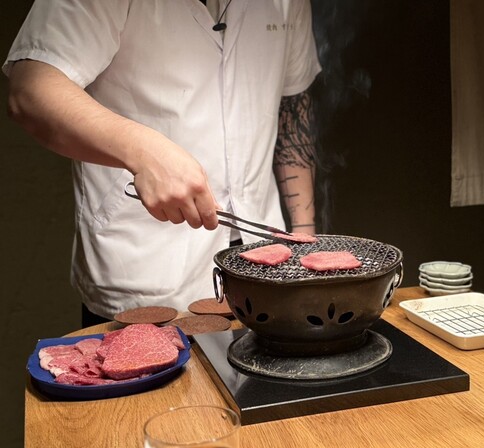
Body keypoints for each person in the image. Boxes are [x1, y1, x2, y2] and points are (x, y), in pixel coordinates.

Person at [4, 0, 322, 327]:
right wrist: (145, 151)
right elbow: (30, 91)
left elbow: (292, 106)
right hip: (144, 266)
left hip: (265, 264)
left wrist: (304, 243)